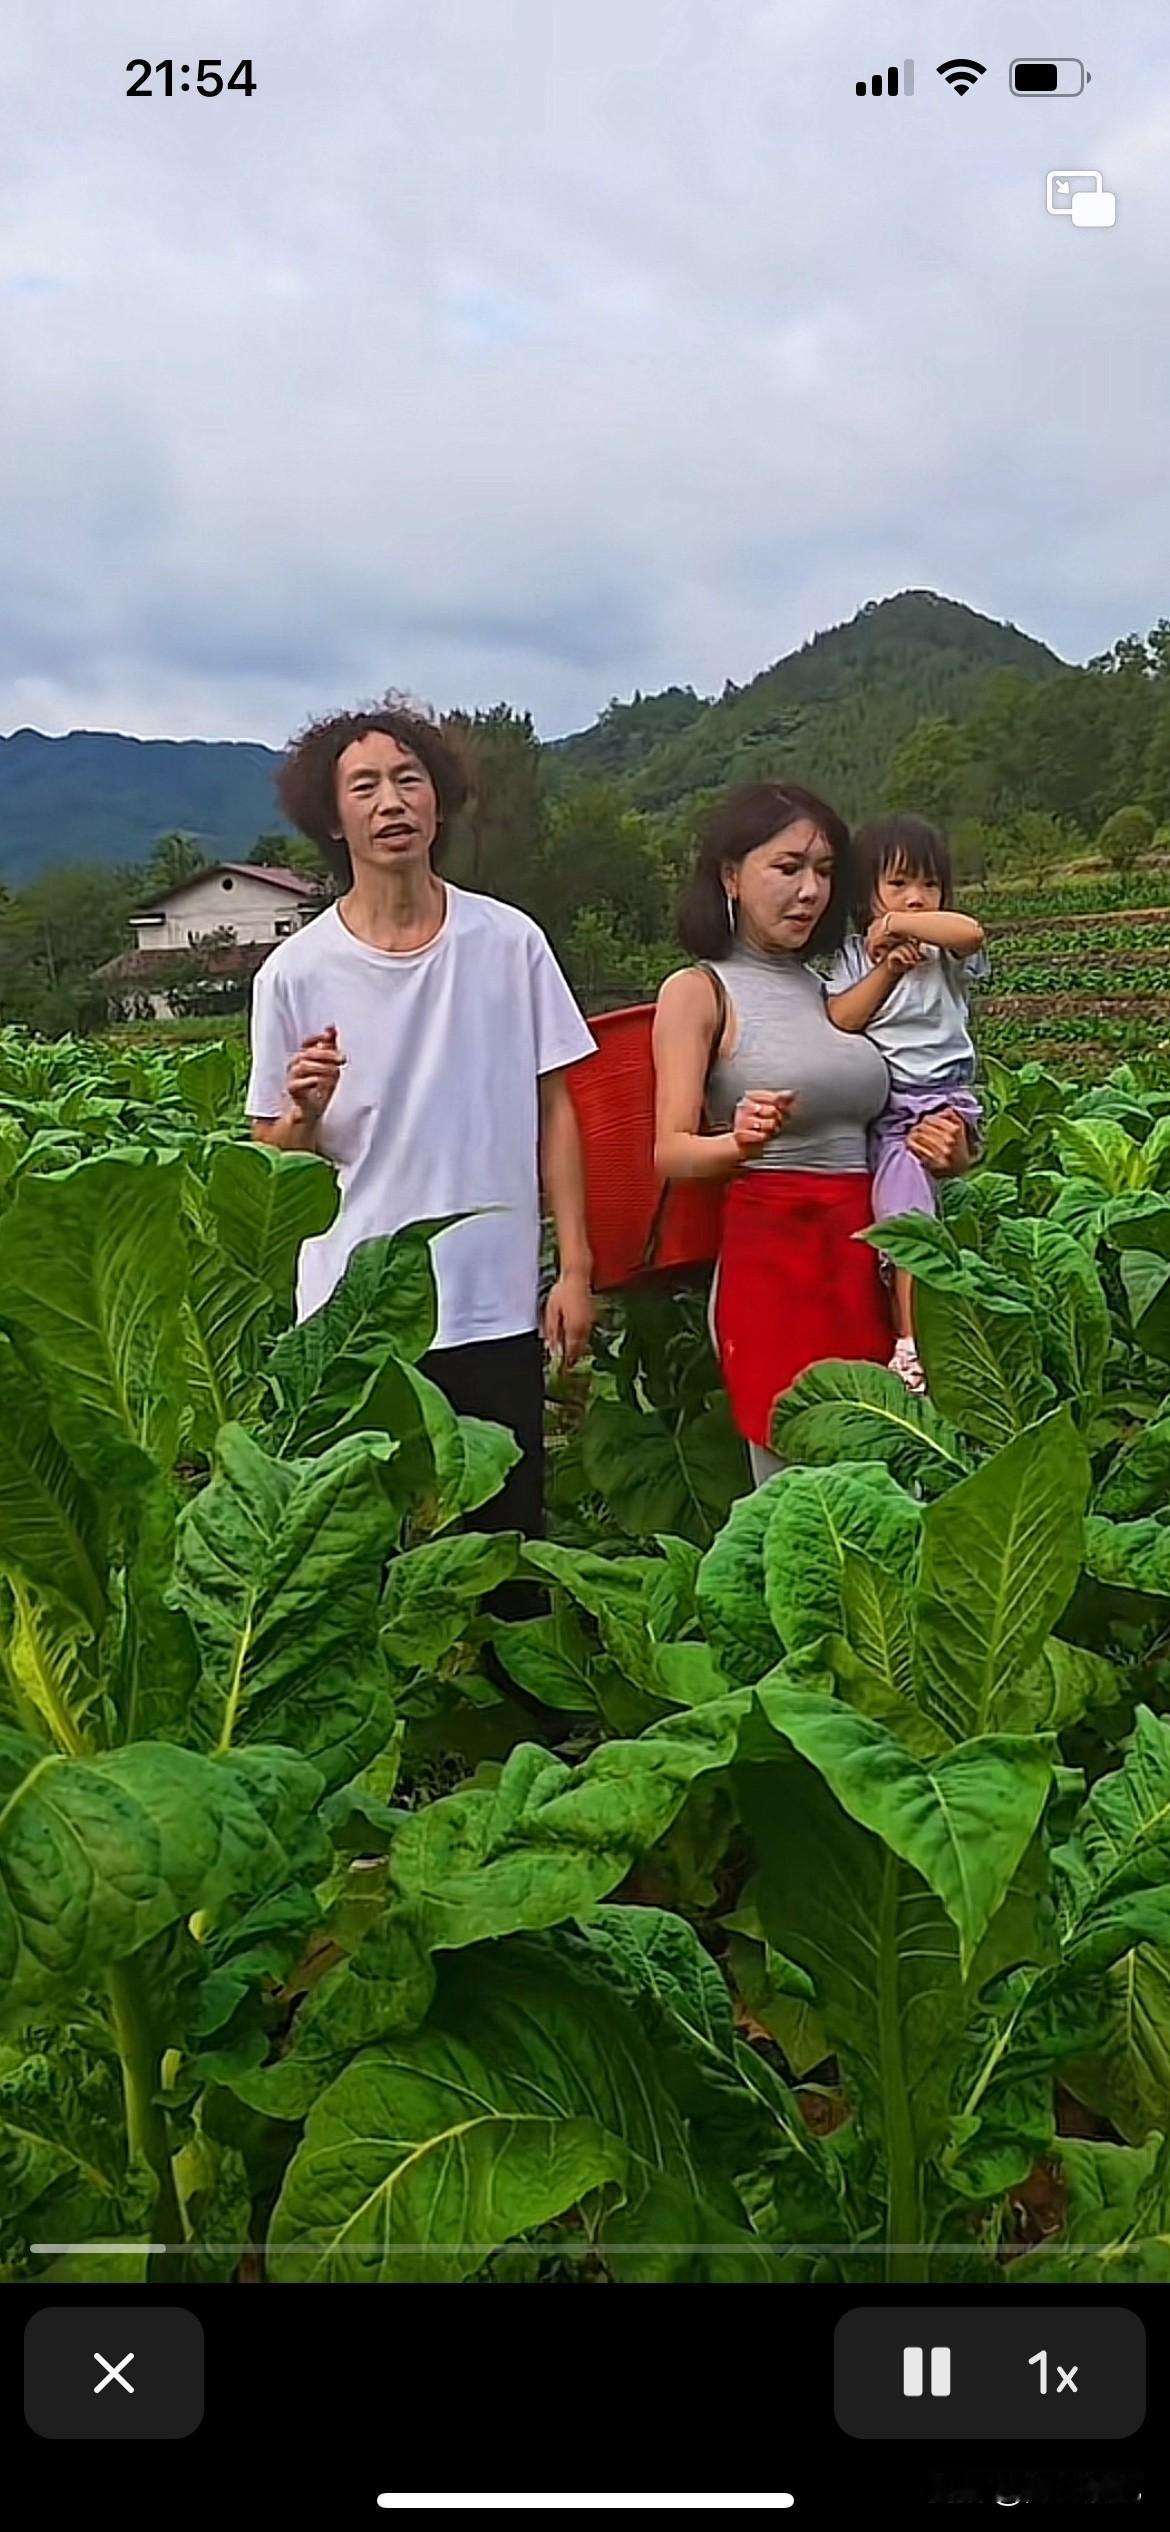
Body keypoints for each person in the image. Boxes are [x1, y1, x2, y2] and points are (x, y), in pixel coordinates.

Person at [246, 695, 597, 1581]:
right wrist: (305, 1111)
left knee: (504, 1551)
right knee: (360, 1560)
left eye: (409, 779)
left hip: (491, 1298)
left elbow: (559, 1109)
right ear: (332, 817)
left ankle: (523, 1724)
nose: (390, 801)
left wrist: (578, 1270)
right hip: (355, 1311)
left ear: (440, 801)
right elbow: (271, 1160)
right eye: (363, 785)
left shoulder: (508, 943)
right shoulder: (294, 972)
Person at [652, 783, 970, 1486]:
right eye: (787, 867)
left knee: (888, 1482)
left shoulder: (833, 986)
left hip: (865, 1261)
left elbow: (902, 1117)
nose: (810, 890)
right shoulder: (699, 991)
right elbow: (670, 1150)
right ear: (731, 875)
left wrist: (953, 1153)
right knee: (800, 1496)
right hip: (776, 1263)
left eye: (825, 871)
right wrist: (735, 1143)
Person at [825, 814, 987, 1395]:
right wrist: (888, 966)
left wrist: (900, 921)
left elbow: (970, 934)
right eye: (897, 885)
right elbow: (842, 1017)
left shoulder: (946, 954)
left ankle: (912, 1346)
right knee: (902, 1218)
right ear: (864, 892)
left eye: (929, 884)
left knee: (908, 1223)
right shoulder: (854, 957)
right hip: (886, 1113)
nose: (918, 897)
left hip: (936, 1104)